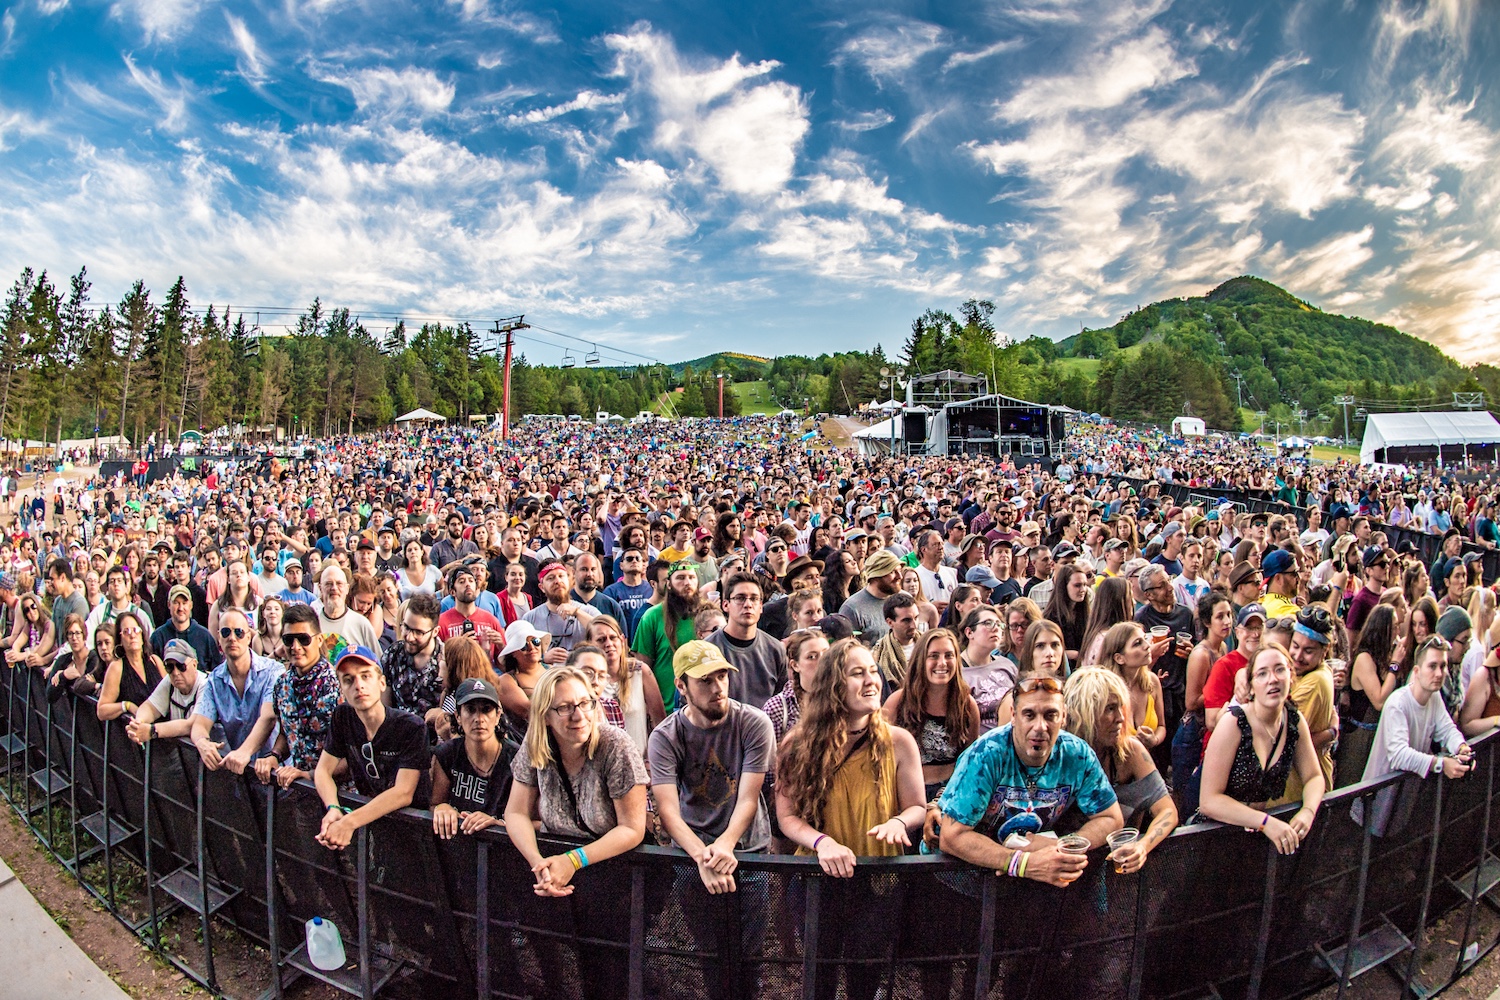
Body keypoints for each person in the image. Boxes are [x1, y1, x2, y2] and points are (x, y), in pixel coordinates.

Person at [775, 638, 926, 1000]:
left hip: (878, 880)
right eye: (857, 673)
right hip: (817, 878)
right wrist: (822, 842)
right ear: (833, 685)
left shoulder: (899, 742)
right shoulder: (798, 744)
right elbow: (786, 816)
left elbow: (917, 806)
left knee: (865, 978)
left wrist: (899, 823)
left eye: (872, 671)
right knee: (819, 977)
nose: (871, 680)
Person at [503, 666, 647, 999]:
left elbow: (633, 827)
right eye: (565, 707)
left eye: (586, 703)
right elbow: (515, 811)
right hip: (557, 867)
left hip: (613, 871)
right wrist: (538, 861)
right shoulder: (536, 745)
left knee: (610, 967)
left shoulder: (615, 746)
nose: (578, 715)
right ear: (546, 716)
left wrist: (573, 860)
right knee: (562, 959)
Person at [938, 670, 1124, 884]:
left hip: (1028, 881)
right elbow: (951, 836)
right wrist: (1023, 863)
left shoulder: (1077, 754)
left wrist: (1064, 847)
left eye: (1050, 715)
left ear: (1063, 717)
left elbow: (1111, 818)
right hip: (961, 880)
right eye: (1029, 715)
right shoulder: (986, 754)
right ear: (1014, 716)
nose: (1039, 727)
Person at [649, 640, 775, 886]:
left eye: (722, 676)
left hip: (748, 848)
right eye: (705, 680)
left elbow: (748, 797)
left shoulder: (754, 723)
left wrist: (726, 844)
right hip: (691, 848)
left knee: (754, 923)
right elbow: (668, 810)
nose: (718, 688)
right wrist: (701, 856)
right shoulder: (666, 736)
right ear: (681, 686)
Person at [1196, 644, 1326, 853]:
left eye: (1279, 669)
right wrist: (1266, 822)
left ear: (1290, 676)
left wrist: (1308, 811)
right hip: (1217, 837)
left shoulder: (1293, 720)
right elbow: (1209, 800)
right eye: (1262, 674)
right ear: (1251, 686)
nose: (1272, 679)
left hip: (1258, 840)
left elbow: (1314, 777)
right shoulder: (1233, 723)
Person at [315, 644, 432, 850]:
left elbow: (404, 792)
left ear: (382, 682)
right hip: (375, 823)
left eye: (366, 676)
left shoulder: (411, 726)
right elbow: (323, 770)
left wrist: (348, 823)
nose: (358, 685)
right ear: (341, 689)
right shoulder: (343, 716)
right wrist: (332, 807)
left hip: (415, 828)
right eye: (348, 680)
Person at [1353, 636, 1472, 835]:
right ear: (1416, 671)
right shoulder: (1397, 704)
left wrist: (1461, 747)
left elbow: (1447, 728)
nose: (1439, 673)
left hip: (1403, 796)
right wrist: (1442, 764)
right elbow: (1399, 754)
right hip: (1377, 798)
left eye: (1443, 666)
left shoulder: (1433, 697)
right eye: (1432, 666)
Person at [1062, 667, 1177, 872]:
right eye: (1109, 709)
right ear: (1085, 713)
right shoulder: (1059, 755)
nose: (1120, 718)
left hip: (1112, 867)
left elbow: (1167, 810)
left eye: (1121, 708)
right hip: (1063, 863)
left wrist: (1142, 846)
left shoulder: (1129, 751)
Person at [883, 627, 980, 811]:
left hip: (950, 793)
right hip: (905, 793)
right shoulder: (897, 702)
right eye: (933, 656)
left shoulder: (967, 705)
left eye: (949, 655)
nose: (942, 663)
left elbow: (970, 762)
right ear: (921, 660)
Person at [188, 608, 283, 774]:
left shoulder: (273, 671)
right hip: (242, 777)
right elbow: (200, 724)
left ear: (248, 637)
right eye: (226, 632)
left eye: (238, 632)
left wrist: (244, 752)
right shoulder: (214, 680)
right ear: (219, 638)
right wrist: (202, 743)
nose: (232, 638)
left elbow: (268, 718)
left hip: (277, 777)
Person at [256, 604, 340, 789]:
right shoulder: (282, 684)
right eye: (288, 640)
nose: (296, 647)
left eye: (303, 639)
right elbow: (288, 732)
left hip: (340, 793)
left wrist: (309, 775)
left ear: (319, 640)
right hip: (301, 790)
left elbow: (353, 752)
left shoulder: (338, 685)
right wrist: (275, 755)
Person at [431, 677, 513, 839]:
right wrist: (443, 808)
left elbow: (537, 821)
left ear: (498, 715)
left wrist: (500, 824)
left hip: (503, 849)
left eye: (486, 709)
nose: (479, 718)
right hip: (458, 843)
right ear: (458, 716)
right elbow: (435, 803)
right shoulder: (447, 754)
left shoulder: (517, 759)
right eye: (470, 709)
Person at [704, 572, 787, 712]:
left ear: (761, 606)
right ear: (725, 605)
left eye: (754, 599)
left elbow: (782, 702)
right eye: (740, 598)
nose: (748, 604)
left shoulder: (775, 650)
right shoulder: (708, 649)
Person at [1339, 604, 1402, 784]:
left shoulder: (1383, 657)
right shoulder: (1364, 659)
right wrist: (1395, 666)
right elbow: (1379, 701)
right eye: (1395, 625)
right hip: (1360, 737)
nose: (1398, 629)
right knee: (1352, 786)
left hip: (1379, 735)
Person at [585, 615, 665, 752]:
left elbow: (660, 722)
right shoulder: (587, 681)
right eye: (601, 640)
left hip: (640, 759)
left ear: (622, 640)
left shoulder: (640, 672)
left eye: (613, 637)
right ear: (590, 645)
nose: (608, 644)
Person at [631, 561, 700, 713]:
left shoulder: (707, 614)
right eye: (680, 578)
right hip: (666, 710)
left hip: (702, 708)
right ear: (669, 584)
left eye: (691, 577)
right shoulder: (651, 617)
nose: (687, 582)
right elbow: (642, 668)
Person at [381, 591, 447, 731]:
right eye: (406, 627)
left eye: (418, 632)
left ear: (435, 632)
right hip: (397, 736)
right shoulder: (392, 655)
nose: (409, 637)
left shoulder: (447, 661)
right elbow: (385, 708)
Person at [1097, 622, 1168, 753]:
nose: (1147, 646)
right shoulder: (1105, 692)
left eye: (1145, 639)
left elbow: (1161, 726)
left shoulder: (1152, 682)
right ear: (1119, 658)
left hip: (1147, 763)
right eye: (1137, 643)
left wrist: (1155, 740)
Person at [125, 638, 206, 745]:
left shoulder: (205, 685)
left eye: (181, 666)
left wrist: (152, 731)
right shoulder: (170, 681)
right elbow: (150, 707)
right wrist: (138, 723)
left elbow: (192, 725)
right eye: (169, 667)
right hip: (185, 753)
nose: (176, 672)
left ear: (194, 664)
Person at [764, 626, 828, 745]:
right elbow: (769, 758)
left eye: (826, 654)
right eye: (812, 657)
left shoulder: (843, 698)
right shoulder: (777, 708)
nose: (822, 661)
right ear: (795, 665)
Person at [96, 611, 162, 722]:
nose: (132, 635)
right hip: (131, 734)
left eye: (136, 630)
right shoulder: (116, 668)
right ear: (120, 640)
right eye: (126, 632)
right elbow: (102, 711)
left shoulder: (155, 661)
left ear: (142, 635)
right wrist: (126, 706)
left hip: (160, 731)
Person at [958, 605, 1013, 732]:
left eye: (999, 624)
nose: (995, 629)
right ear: (969, 632)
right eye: (988, 623)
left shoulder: (1006, 665)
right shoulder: (957, 672)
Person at [150, 583, 222, 674]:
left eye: (184, 603)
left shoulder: (204, 636)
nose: (181, 608)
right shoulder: (158, 637)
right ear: (169, 605)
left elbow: (217, 671)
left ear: (191, 605)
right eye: (176, 603)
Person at [438, 564, 505, 658]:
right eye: (461, 582)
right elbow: (437, 662)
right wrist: (455, 647)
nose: (468, 584)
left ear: (477, 588)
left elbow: (504, 666)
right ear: (452, 592)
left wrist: (501, 646)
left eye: (471, 581)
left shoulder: (491, 620)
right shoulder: (441, 623)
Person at [838, 550, 903, 642]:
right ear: (876, 576)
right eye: (892, 572)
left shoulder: (903, 600)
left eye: (899, 570)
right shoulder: (852, 609)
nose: (899, 576)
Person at [317, 565, 381, 651]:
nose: (334, 588)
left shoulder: (361, 624)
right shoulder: (313, 624)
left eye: (339, 584)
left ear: (347, 589)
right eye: (328, 584)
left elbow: (376, 662)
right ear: (320, 588)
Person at [871, 591, 919, 694]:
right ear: (890, 622)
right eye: (906, 620)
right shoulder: (878, 655)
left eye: (916, 618)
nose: (914, 625)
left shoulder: (929, 645)